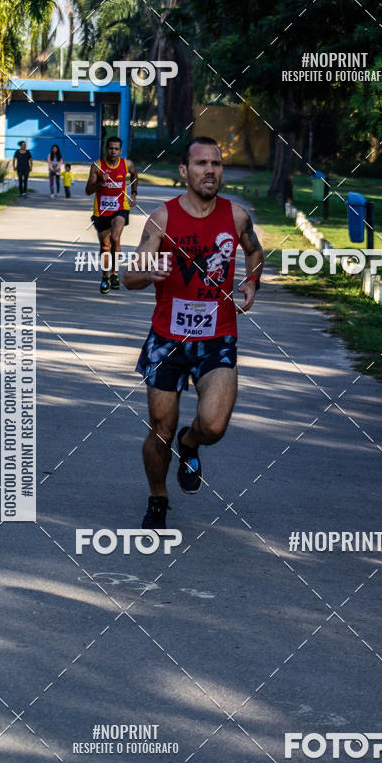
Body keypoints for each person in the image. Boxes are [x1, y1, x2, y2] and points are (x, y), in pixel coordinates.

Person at [122, 136, 264, 529]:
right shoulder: (162, 219)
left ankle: (191, 442)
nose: (210, 171)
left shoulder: (235, 216)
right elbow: (128, 276)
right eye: (201, 164)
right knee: (160, 429)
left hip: (217, 335)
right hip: (167, 338)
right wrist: (148, 273)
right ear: (184, 172)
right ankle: (158, 497)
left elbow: (253, 251)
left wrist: (252, 282)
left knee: (214, 425)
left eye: (216, 164)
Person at [85, 136, 138, 294]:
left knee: (115, 237)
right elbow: (88, 190)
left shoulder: (126, 164)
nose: (113, 151)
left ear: (120, 151)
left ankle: (115, 273)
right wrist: (100, 182)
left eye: (116, 149)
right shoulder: (97, 166)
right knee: (105, 246)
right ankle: (106, 276)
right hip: (101, 210)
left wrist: (134, 193)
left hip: (121, 207)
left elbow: (134, 175)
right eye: (110, 148)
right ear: (106, 149)